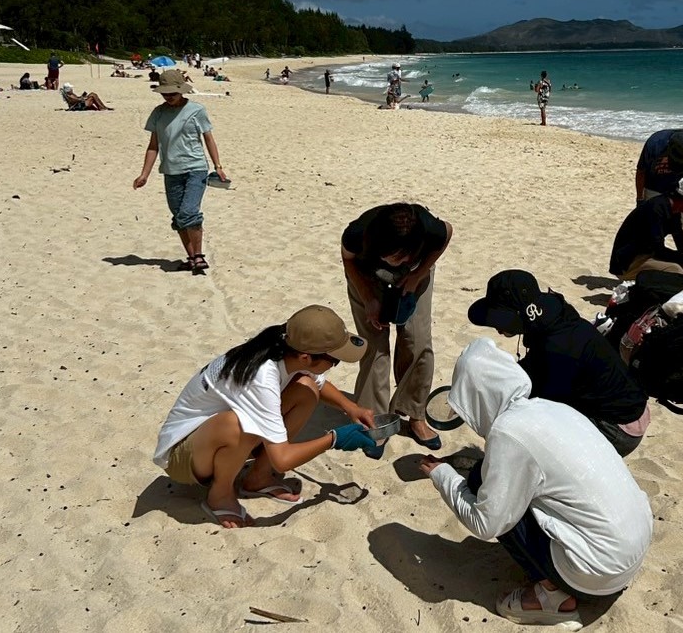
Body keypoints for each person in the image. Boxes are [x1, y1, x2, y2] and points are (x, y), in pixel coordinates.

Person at [420, 339, 652, 627]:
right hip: (633, 550)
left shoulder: (508, 432)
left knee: (482, 480)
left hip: (597, 575)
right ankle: (557, 577)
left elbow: (485, 524)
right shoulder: (551, 407)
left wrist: (442, 475)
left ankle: (552, 598)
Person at [153, 305, 376, 528]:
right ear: (306, 358)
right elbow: (283, 459)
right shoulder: (261, 376)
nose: (334, 365)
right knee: (240, 424)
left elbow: (318, 383)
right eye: (334, 360)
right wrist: (335, 439)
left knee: (306, 390)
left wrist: (351, 408)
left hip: (208, 440)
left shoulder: (285, 347)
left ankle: (257, 478)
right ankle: (219, 495)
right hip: (181, 456)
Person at [467, 270, 650, 456]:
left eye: (500, 320)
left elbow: (538, 400)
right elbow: (536, 368)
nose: (497, 328)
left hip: (619, 428)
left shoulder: (556, 348)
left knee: (527, 432)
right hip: (628, 404)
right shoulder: (555, 318)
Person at [340, 203, 453, 458]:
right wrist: (368, 297)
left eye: (404, 256)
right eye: (393, 257)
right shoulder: (358, 234)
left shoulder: (429, 229)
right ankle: (374, 421)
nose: (398, 262)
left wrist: (417, 274)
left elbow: (448, 233)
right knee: (375, 348)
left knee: (418, 341)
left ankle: (415, 415)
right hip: (365, 275)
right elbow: (347, 259)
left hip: (415, 276)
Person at [132, 69, 227, 273]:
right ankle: (192, 258)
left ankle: (199, 256)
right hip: (170, 171)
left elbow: (208, 139)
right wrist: (144, 175)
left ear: (181, 91)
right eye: (165, 94)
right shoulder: (158, 113)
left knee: (189, 213)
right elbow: (153, 146)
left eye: (172, 94)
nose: (168, 97)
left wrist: (218, 166)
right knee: (178, 217)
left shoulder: (196, 110)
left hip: (196, 169)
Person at [635, 128, 683, 248]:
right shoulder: (655, 143)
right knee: (653, 229)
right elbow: (641, 171)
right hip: (654, 187)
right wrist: (640, 199)